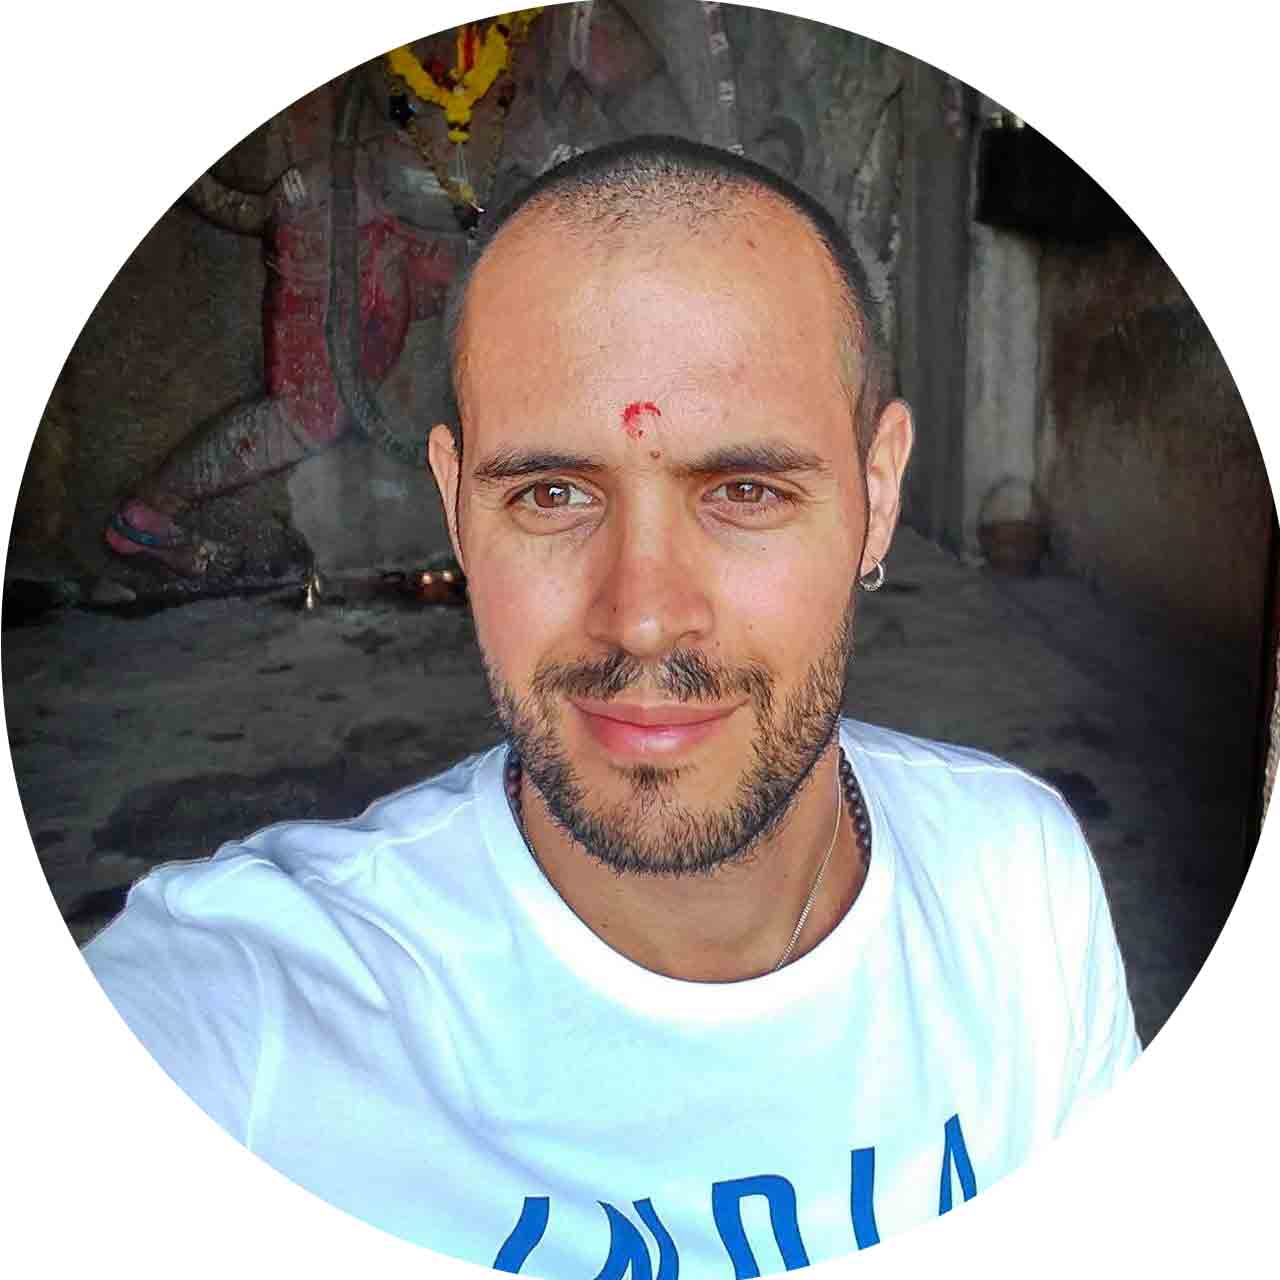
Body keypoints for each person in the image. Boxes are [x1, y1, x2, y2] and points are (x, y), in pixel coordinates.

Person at [83, 136, 1139, 1274]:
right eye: (549, 493)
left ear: (875, 494)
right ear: (455, 506)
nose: (641, 617)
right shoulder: (259, 1017)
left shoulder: (1019, 889)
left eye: (743, 490)